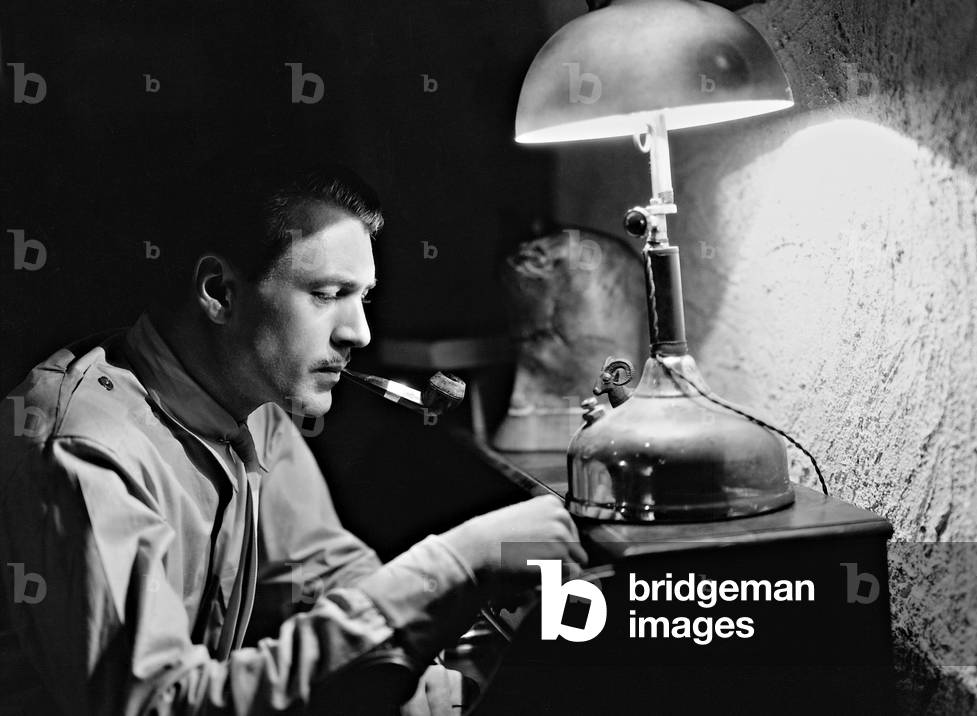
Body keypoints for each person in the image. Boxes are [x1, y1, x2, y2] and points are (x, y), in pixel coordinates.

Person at [0, 160, 588, 715]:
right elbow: (160, 705)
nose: (358, 332)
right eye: (328, 295)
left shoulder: (253, 400)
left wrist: (407, 664)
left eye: (364, 298)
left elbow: (321, 573)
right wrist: (456, 562)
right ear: (221, 292)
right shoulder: (80, 449)